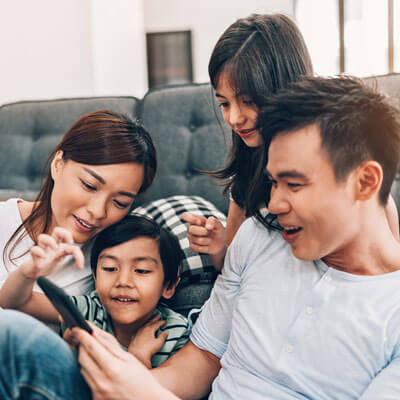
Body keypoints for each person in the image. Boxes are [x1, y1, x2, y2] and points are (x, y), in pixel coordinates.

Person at [2, 76, 400, 399]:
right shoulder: (258, 239)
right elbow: (205, 356)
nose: (273, 204)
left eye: (293, 184)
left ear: (365, 182)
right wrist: (128, 380)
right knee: (13, 340)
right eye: (272, 183)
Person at [181, 13, 399, 271]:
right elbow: (233, 270)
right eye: (224, 104)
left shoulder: (340, 153)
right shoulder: (248, 168)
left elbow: (388, 264)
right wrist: (218, 249)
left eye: (248, 101)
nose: (234, 118)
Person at [0, 109, 157, 297]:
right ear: (58, 164)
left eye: (120, 202)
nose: (98, 212)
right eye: (89, 186)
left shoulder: (110, 261)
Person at [0, 214, 190, 368]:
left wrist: (138, 358)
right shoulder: (86, 311)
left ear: (169, 286)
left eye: (141, 271)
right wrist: (29, 272)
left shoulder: (175, 333)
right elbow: (16, 303)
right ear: (95, 278)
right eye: (109, 268)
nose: (123, 282)